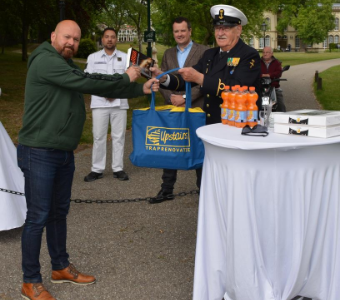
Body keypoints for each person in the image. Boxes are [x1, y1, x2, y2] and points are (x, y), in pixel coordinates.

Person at [17, 20, 159, 300]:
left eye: (76, 39)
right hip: (39, 151)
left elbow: (98, 81)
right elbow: (87, 82)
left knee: (59, 213)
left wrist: (137, 89)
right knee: (38, 217)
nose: (71, 43)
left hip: (61, 150)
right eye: (67, 37)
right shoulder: (46, 60)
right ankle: (29, 280)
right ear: (53, 36)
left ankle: (60, 268)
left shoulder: (63, 62)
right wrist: (128, 77)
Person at [151, 4, 261, 125]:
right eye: (217, 28)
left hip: (236, 122)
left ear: (238, 30)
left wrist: (200, 79)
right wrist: (164, 77)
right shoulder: (210, 54)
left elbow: (239, 87)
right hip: (209, 122)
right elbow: (186, 80)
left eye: (226, 28)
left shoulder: (249, 55)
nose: (220, 33)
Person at [151, 17, 208, 204]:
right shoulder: (167, 53)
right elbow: (162, 80)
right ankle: (166, 189)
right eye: (176, 31)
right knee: (171, 148)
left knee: (198, 148)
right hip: (173, 108)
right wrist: (173, 100)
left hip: (196, 108)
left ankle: (204, 191)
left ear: (190, 31)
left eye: (183, 30)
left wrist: (185, 98)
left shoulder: (204, 51)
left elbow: (205, 82)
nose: (180, 34)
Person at [84, 28, 130, 182]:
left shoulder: (125, 58)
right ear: (102, 39)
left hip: (120, 103)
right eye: (107, 37)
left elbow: (130, 78)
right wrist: (105, 91)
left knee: (119, 136)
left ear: (116, 39)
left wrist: (114, 92)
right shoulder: (93, 57)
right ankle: (97, 169)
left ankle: (118, 168)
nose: (110, 39)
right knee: (98, 136)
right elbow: (89, 79)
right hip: (99, 102)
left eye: (113, 37)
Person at [260, 46, 286, 112]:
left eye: (267, 52)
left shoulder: (277, 62)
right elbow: (254, 72)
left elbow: (278, 73)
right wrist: (260, 76)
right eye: (264, 52)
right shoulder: (258, 62)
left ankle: (282, 117)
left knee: (280, 104)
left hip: (273, 86)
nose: (265, 54)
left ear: (272, 53)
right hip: (260, 86)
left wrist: (269, 75)